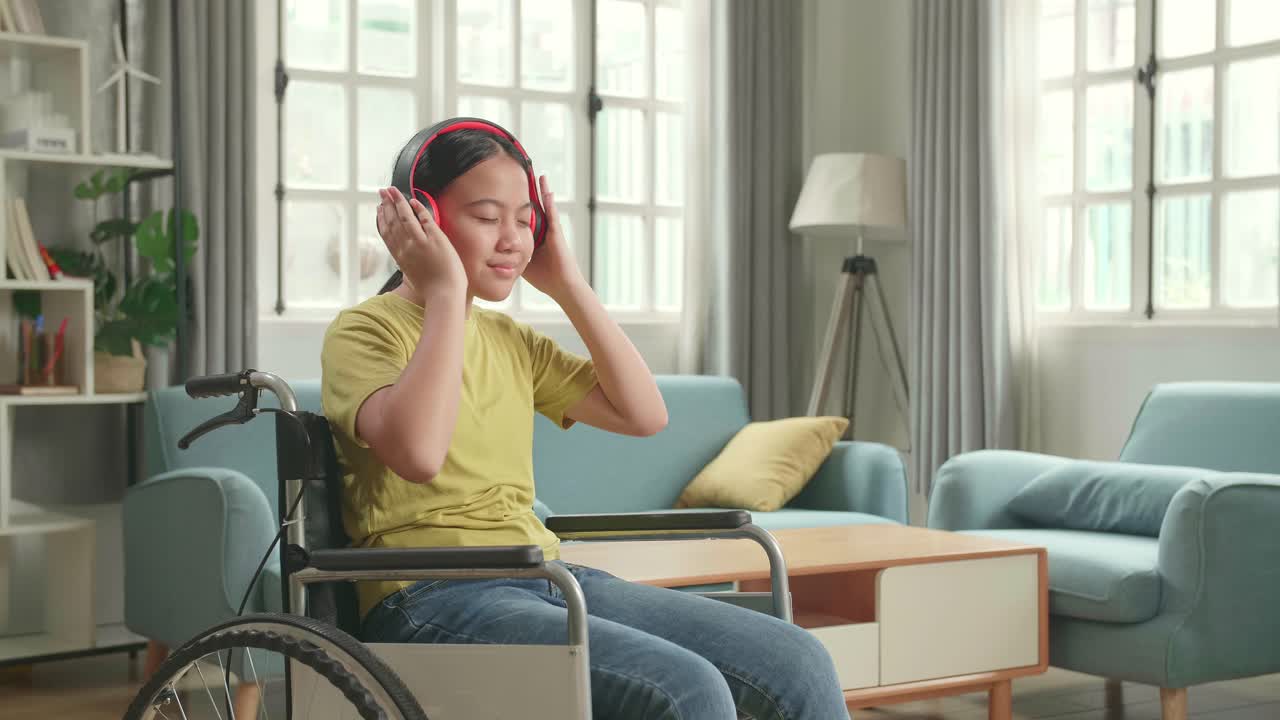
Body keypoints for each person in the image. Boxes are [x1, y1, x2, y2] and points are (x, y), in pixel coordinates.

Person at [320, 124, 849, 719]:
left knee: (798, 659)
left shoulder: (510, 340)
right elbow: (419, 454)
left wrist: (567, 283)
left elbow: (644, 414)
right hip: (427, 596)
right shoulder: (363, 332)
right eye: (488, 217)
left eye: (525, 220)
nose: (513, 240)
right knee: (684, 688)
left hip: (541, 576)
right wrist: (444, 291)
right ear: (422, 219)